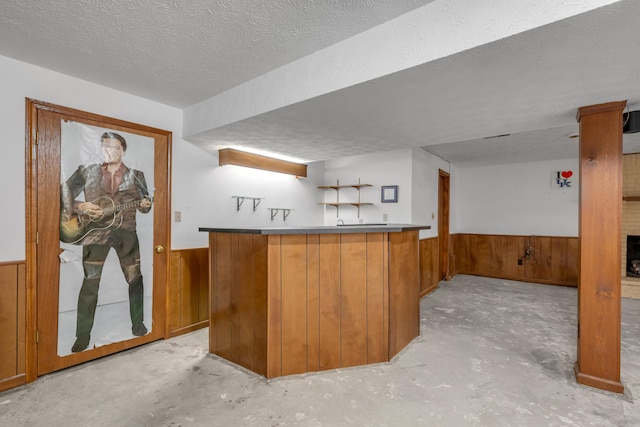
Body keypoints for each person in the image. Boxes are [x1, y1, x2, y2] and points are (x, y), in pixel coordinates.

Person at [60, 131, 152, 352]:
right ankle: (82, 336)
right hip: (94, 234)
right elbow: (63, 194)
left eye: (116, 147)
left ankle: (138, 325)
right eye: (106, 147)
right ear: (101, 149)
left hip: (127, 235)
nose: (110, 151)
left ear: (123, 150)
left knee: (135, 280)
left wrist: (145, 205)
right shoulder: (86, 172)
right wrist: (79, 206)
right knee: (90, 283)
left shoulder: (136, 175)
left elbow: (146, 205)